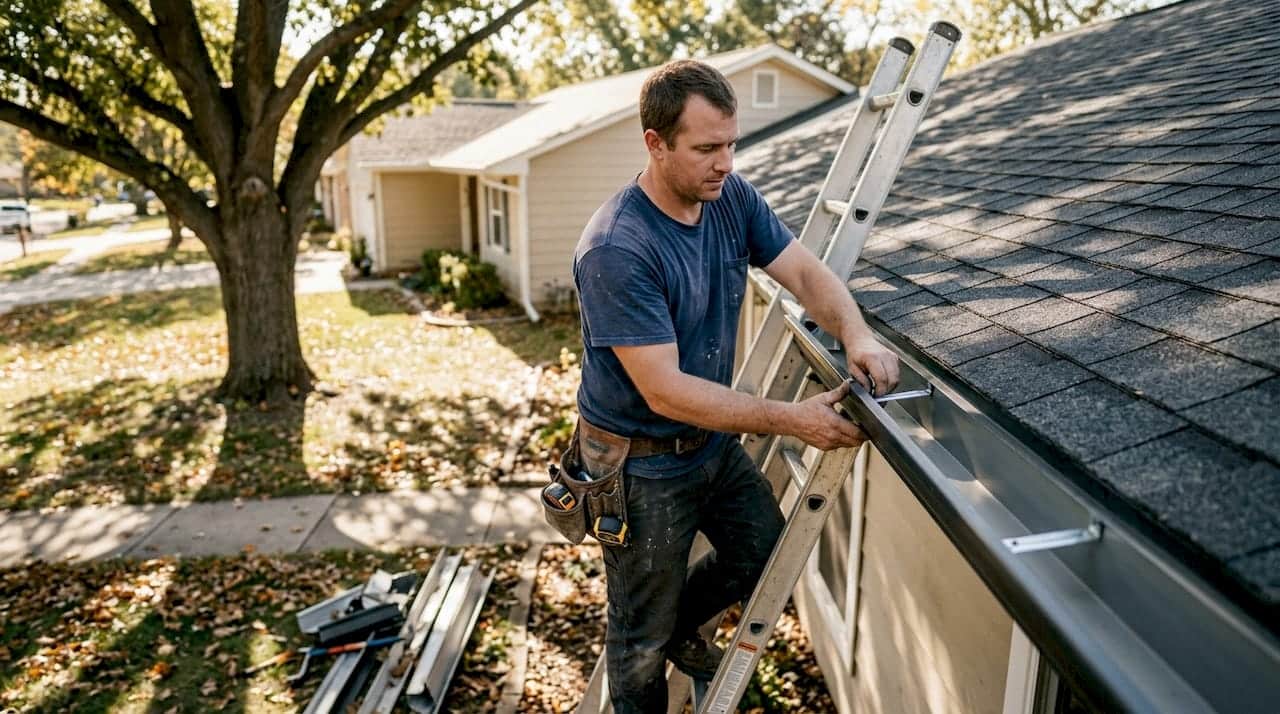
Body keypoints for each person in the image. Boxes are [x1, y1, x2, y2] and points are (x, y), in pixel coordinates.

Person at [571, 59, 900, 713]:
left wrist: (858, 335)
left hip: (706, 442)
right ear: (655, 143)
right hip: (639, 465)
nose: (725, 163)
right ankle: (661, 637)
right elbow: (664, 391)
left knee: (762, 551)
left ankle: (677, 627)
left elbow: (805, 274)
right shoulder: (618, 248)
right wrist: (792, 418)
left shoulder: (730, 199)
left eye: (731, 144)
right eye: (706, 149)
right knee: (638, 646)